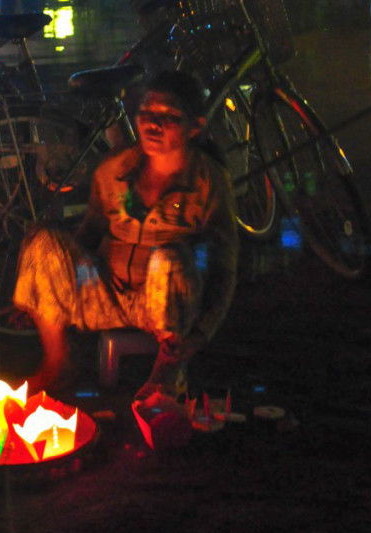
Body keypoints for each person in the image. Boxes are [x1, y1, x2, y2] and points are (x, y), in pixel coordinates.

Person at [13, 70, 239, 400]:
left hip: (166, 304)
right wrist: (42, 288)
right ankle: (59, 362)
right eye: (146, 114)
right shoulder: (115, 169)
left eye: (169, 117)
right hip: (107, 293)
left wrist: (202, 333)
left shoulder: (208, 182)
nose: (153, 125)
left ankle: (167, 371)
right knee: (42, 238)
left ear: (196, 126)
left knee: (169, 258)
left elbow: (225, 266)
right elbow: (90, 233)